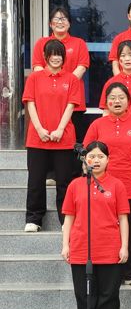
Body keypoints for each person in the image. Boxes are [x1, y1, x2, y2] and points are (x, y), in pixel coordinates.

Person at [61, 141, 129, 309]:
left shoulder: (116, 185)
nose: (96, 160)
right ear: (85, 159)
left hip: (109, 246)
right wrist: (65, 245)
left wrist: (125, 246)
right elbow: (69, 218)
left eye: (101, 156)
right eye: (92, 156)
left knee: (109, 293)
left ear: (108, 160)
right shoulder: (75, 185)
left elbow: (123, 218)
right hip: (81, 247)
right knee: (84, 294)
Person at [84, 82, 131, 287]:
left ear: (129, 102)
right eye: (112, 98)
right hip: (102, 186)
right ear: (105, 102)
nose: (117, 101)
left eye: (121, 97)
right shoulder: (97, 125)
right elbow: (87, 155)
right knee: (106, 228)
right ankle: (111, 271)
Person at [23, 39, 81, 232]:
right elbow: (30, 104)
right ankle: (34, 219)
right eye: (52, 54)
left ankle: (66, 221)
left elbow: (71, 106)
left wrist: (60, 130)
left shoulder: (71, 79)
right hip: (37, 138)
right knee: (35, 181)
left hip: (63, 139)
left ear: (64, 57)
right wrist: (40, 129)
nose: (56, 58)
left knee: (64, 182)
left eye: (59, 54)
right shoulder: (34, 78)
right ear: (45, 57)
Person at [32, 7, 89, 143]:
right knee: (48, 140)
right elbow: (37, 68)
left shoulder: (79, 43)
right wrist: (53, 88)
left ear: (69, 23)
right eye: (56, 19)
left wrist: (64, 87)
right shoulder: (41, 43)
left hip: (74, 101)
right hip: (47, 102)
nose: (60, 22)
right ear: (50, 24)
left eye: (63, 19)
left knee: (75, 144)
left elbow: (81, 68)